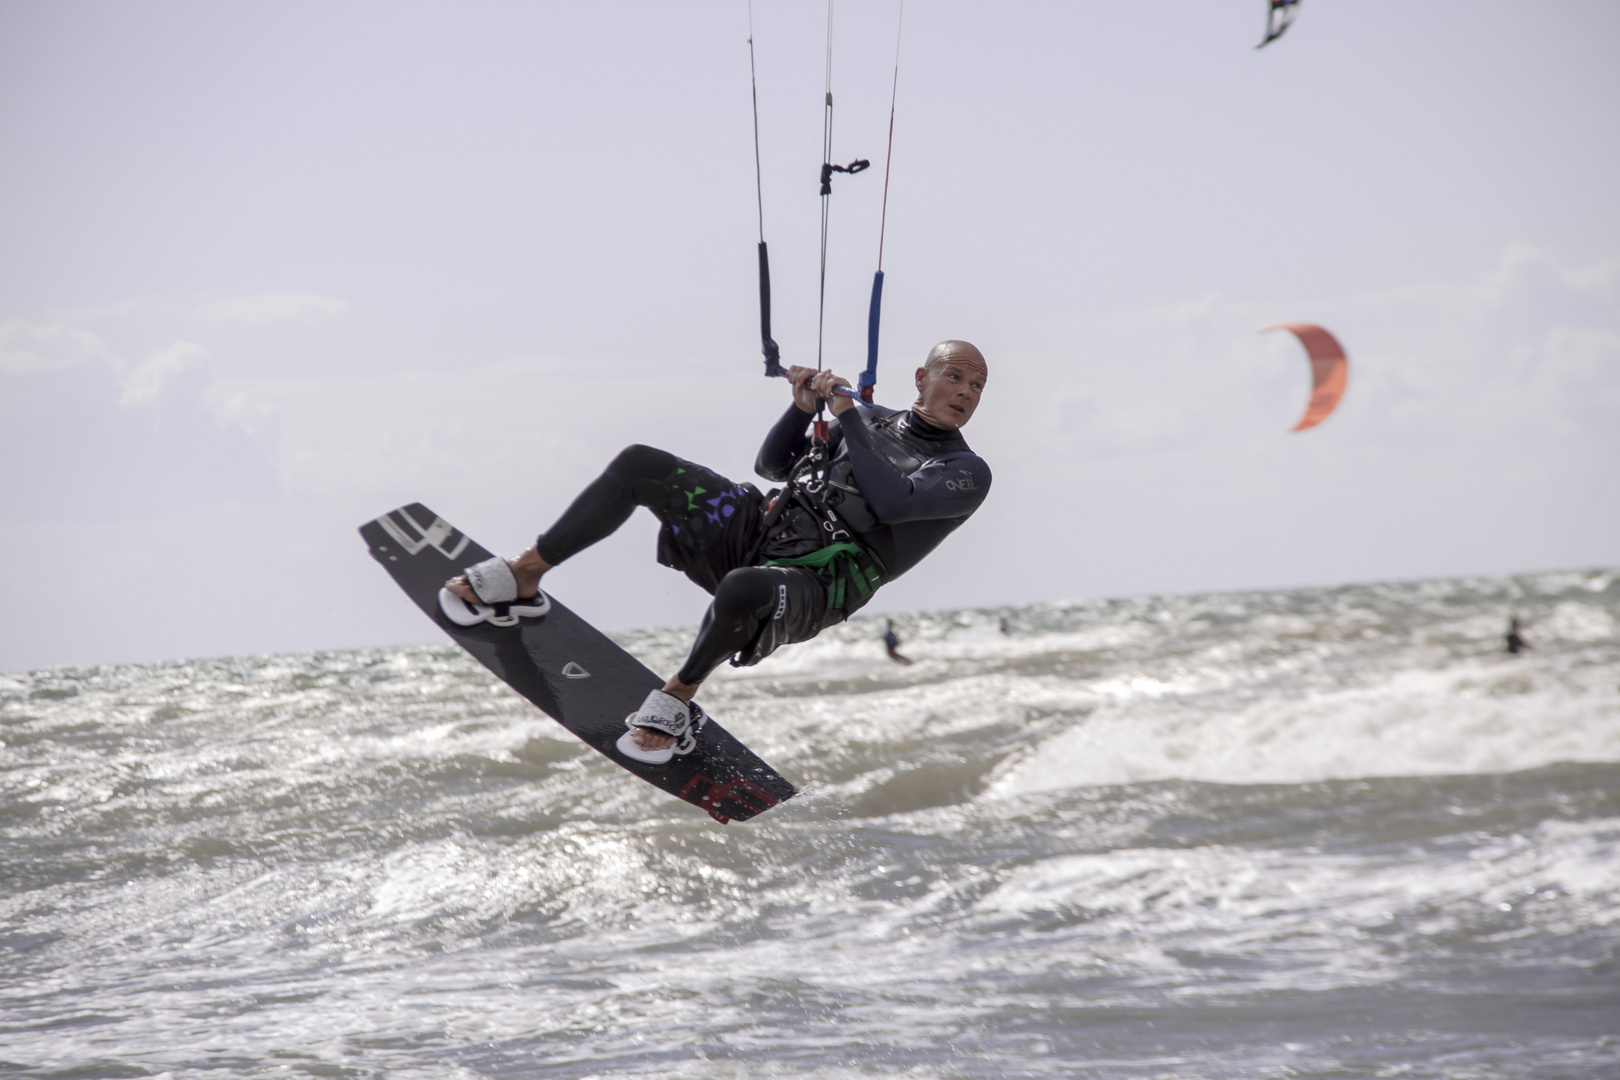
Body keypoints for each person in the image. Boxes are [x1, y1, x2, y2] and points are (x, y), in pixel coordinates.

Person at [445, 340, 991, 763]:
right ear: (923, 378)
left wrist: (848, 414)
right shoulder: (869, 419)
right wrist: (802, 410)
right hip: (762, 531)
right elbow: (775, 468)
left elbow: (893, 503)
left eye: (977, 386)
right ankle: (525, 573)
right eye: (955, 376)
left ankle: (677, 698)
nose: (965, 392)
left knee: (743, 587)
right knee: (642, 464)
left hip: (817, 586)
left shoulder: (966, 471)